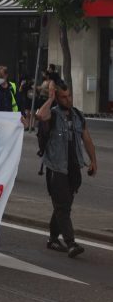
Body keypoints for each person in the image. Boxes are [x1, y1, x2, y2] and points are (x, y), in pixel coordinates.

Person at [36, 80, 97, 258]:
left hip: (74, 167)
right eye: (63, 97)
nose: (68, 99)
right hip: (57, 167)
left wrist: (93, 160)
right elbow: (40, 115)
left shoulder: (77, 115)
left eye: (69, 95)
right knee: (63, 207)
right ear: (57, 98)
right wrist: (51, 98)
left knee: (63, 205)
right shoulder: (52, 114)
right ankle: (71, 243)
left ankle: (53, 239)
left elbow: (87, 139)